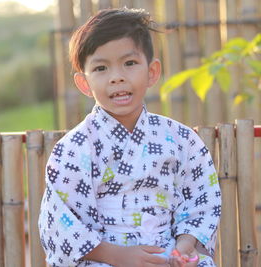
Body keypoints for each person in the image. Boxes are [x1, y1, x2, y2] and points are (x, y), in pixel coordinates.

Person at [38, 7, 221, 267]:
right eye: (101, 68)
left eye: (130, 63)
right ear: (84, 84)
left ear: (152, 72)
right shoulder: (73, 149)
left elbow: (202, 197)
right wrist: (116, 255)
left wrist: (185, 246)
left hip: (166, 257)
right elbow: (59, 221)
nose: (117, 77)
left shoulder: (181, 140)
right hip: (102, 259)